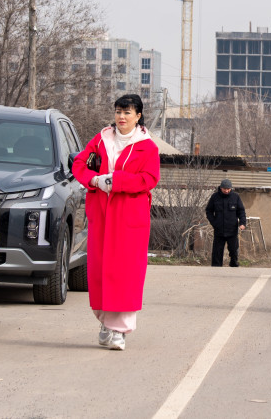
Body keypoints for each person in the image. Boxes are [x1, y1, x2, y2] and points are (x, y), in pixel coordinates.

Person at [72, 94, 160, 351]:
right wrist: (94, 180)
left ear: (138, 116)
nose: (122, 117)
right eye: (119, 112)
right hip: (101, 213)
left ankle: (119, 330)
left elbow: (149, 179)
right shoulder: (101, 139)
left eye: (127, 112)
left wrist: (117, 181)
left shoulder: (147, 146)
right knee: (100, 270)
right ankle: (105, 322)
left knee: (126, 272)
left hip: (129, 216)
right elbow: (80, 164)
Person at [205, 179, 247, 267]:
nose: (226, 191)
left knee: (234, 251)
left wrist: (242, 223)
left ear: (231, 188)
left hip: (232, 230)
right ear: (221, 188)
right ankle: (216, 269)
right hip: (219, 230)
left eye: (228, 189)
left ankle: (233, 265)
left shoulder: (235, 197)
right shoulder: (215, 197)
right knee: (217, 252)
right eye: (225, 189)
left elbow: (241, 211)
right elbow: (209, 211)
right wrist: (214, 223)